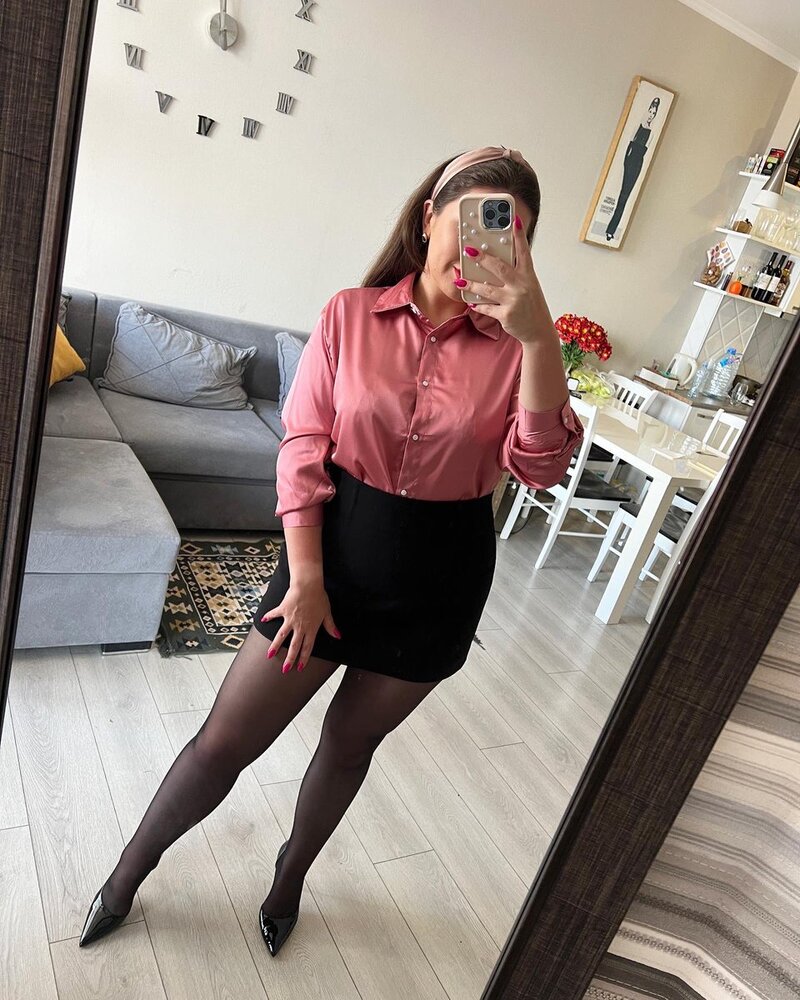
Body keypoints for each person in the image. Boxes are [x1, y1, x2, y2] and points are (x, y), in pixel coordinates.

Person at [79, 145, 584, 956]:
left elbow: (542, 466)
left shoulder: (520, 351)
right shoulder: (350, 315)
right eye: (472, 219)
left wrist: (537, 339)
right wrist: (307, 579)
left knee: (350, 746)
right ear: (429, 219)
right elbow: (304, 447)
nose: (483, 244)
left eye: (508, 231)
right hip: (331, 560)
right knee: (226, 740)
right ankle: (126, 875)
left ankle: (289, 879)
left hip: (441, 579)